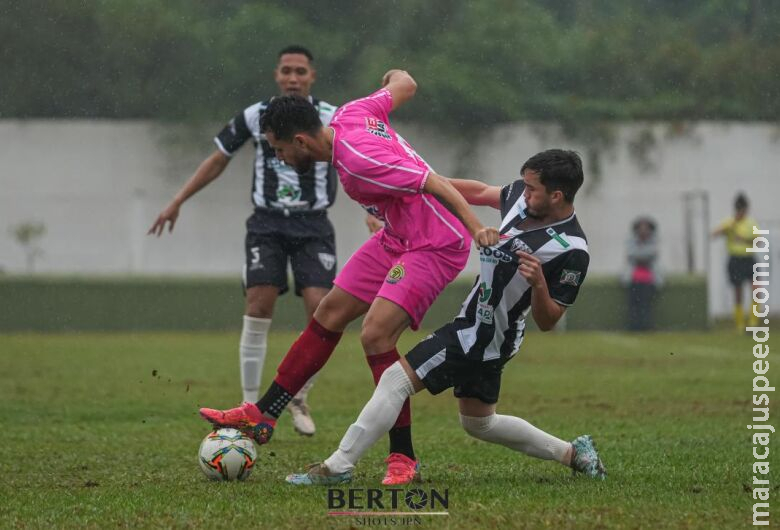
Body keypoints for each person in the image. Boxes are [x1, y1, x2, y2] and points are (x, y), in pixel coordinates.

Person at [200, 68, 500, 485]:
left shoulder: (357, 160)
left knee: (376, 335)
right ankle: (263, 414)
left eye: (280, 150)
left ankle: (403, 456)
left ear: (301, 141)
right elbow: (407, 83)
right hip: (398, 236)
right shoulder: (352, 112)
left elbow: (432, 182)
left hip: (434, 244)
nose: (281, 159)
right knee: (330, 312)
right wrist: (391, 74)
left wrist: (476, 227)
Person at [284, 149, 607, 485]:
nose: (523, 194)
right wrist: (412, 190)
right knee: (479, 422)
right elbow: (476, 192)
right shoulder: (520, 199)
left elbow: (550, 319)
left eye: (531, 189)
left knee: (394, 381)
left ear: (556, 196)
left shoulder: (572, 249)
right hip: (487, 333)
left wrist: (539, 283)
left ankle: (338, 467)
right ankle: (573, 453)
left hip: (480, 335)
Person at [149, 46, 337, 436]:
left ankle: (299, 396)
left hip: (314, 224)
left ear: (312, 77)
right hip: (266, 224)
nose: (293, 78)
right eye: (286, 70)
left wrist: (373, 209)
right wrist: (178, 199)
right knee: (259, 302)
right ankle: (250, 406)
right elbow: (219, 157)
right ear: (276, 75)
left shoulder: (332, 117)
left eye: (301, 71)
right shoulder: (256, 116)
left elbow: (353, 159)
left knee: (322, 309)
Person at [712, 193, 760, 331]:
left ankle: (753, 322)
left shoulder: (751, 223)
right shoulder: (730, 222)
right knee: (738, 292)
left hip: (749, 259)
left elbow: (758, 241)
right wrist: (731, 225)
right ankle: (740, 324)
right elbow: (715, 234)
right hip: (735, 260)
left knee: (756, 290)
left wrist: (743, 239)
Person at [624, 216, 661, 331]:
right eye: (641, 228)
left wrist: (640, 255)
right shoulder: (632, 241)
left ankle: (646, 326)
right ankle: (634, 326)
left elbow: (652, 253)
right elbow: (631, 254)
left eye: (646, 228)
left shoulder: (653, 241)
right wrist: (643, 255)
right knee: (634, 305)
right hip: (634, 279)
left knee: (646, 305)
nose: (643, 231)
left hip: (648, 280)